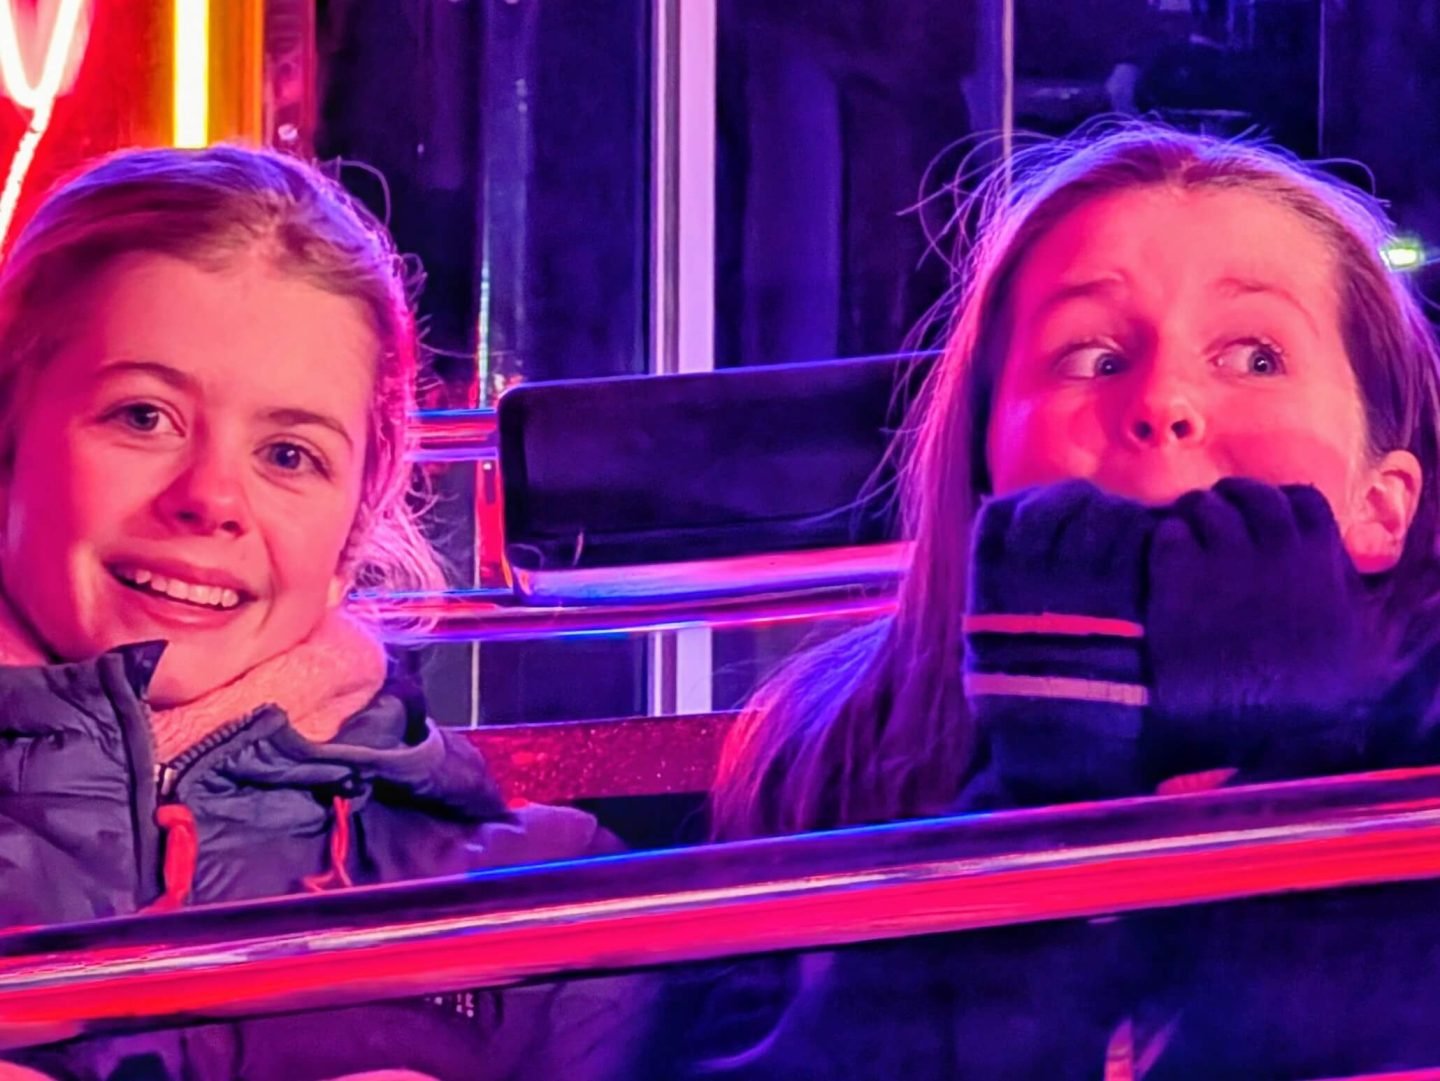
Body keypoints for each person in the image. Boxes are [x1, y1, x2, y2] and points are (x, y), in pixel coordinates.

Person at [662, 122, 1440, 1077]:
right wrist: (1047, 804)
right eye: (1093, 358)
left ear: (1381, 503)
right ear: (991, 463)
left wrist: (1289, 773)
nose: (1162, 402)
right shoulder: (824, 751)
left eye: (1255, 357)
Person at [0, 145, 635, 1081]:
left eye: (290, 454)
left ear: (350, 539)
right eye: (143, 415)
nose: (211, 496)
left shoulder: (534, 895)